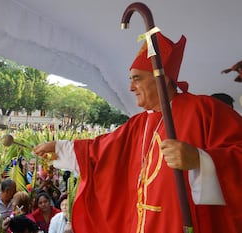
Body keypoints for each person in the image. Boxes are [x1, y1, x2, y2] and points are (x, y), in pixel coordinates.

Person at [33, 32, 242, 233]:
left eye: (137, 78)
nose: (131, 87)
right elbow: (99, 152)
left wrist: (200, 160)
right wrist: (60, 149)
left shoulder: (205, 110)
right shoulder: (138, 124)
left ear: (164, 79)